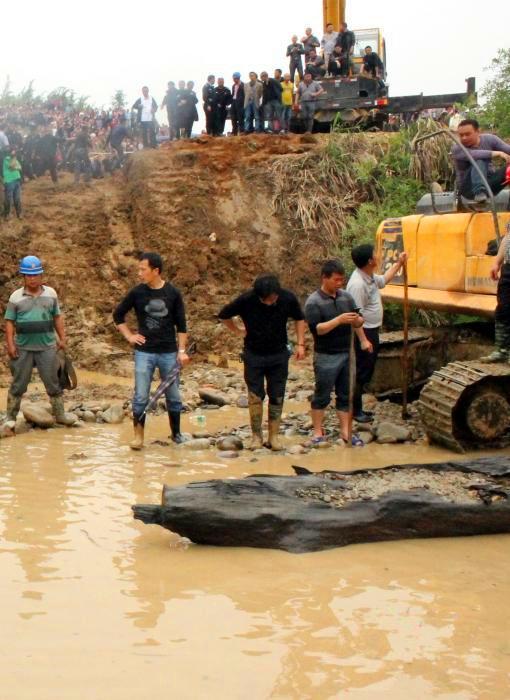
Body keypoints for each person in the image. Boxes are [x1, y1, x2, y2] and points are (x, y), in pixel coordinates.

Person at [218, 274, 305, 450]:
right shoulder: (246, 300)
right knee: (255, 396)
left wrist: (301, 343)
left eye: (273, 298)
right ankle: (256, 436)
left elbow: (299, 318)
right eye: (266, 300)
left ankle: (274, 436)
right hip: (253, 354)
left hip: (279, 354)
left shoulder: (287, 297)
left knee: (277, 393)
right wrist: (237, 330)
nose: (270, 302)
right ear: (258, 296)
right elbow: (224, 315)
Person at [113, 252, 190, 450]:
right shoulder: (137, 293)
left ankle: (176, 434)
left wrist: (182, 351)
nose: (139, 273)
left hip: (168, 353)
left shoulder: (173, 293)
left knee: (173, 395)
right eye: (139, 269)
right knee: (140, 395)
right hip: (144, 352)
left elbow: (182, 325)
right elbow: (118, 315)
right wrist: (130, 336)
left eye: (143, 269)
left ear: (156, 271)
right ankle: (138, 437)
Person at [4, 255, 74, 426]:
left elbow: (57, 317)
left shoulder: (51, 294)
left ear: (41, 275)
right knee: (19, 383)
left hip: (47, 346)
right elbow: (9, 323)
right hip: (23, 347)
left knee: (53, 382)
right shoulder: (15, 297)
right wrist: (11, 344)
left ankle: (60, 415)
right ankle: (10, 418)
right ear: (23, 276)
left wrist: (62, 338)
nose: (32, 278)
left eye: (35, 275)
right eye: (28, 275)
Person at [304, 259, 364, 446]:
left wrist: (357, 322)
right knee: (322, 393)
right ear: (325, 278)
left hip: (347, 352)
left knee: (346, 394)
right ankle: (317, 432)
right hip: (326, 355)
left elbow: (359, 319)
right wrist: (339, 320)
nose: (339, 284)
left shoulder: (346, 297)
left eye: (341, 280)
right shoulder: (314, 302)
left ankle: (346, 431)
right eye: (336, 280)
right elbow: (317, 329)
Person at [346, 244, 408, 423]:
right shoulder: (357, 284)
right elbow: (355, 315)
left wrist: (399, 264)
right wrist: (364, 340)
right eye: (375, 254)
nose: (378, 256)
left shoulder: (369, 276)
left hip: (372, 329)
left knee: (367, 370)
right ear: (370, 261)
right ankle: (355, 410)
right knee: (362, 371)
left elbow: (384, 280)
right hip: (364, 332)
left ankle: (356, 408)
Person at [452, 119, 510, 203]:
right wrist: (496, 153)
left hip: (490, 184)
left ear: (478, 132)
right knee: (479, 160)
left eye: (467, 134)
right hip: (468, 189)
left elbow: (507, 149)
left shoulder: (490, 139)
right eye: (461, 135)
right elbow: (474, 154)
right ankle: (479, 193)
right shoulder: (457, 148)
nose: (464, 138)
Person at [480, 223, 510, 362]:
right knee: (503, 309)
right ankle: (502, 351)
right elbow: (508, 237)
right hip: (508, 269)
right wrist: (497, 262)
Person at [3, 147, 23, 220]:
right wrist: (15, 160)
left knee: (17, 198)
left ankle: (19, 214)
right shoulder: (6, 159)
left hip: (17, 179)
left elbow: (20, 167)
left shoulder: (14, 159)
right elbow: (12, 167)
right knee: (9, 198)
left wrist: (16, 166)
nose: (15, 153)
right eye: (14, 151)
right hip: (9, 180)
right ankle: (7, 214)